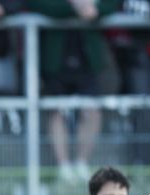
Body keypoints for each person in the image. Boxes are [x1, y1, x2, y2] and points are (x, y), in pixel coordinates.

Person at [28, 0, 121, 182]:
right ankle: (63, 166)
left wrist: (95, 9)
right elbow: (37, 5)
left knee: (92, 110)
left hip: (88, 57)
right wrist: (73, 7)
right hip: (55, 57)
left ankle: (81, 163)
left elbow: (113, 4)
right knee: (56, 111)